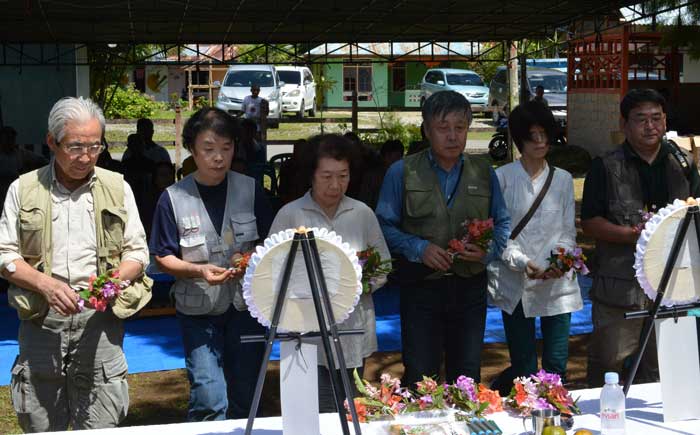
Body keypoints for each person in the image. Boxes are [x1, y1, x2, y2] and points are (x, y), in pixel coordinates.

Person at [0, 97, 151, 432]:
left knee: (102, 421)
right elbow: (5, 255)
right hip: (41, 319)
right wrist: (46, 285)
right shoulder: (22, 189)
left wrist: (112, 282)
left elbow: (138, 253)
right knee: (40, 423)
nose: (86, 157)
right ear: (52, 142)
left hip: (100, 321)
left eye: (95, 146)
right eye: (76, 146)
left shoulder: (117, 187)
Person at [376, 90, 510, 385]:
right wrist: (418, 247)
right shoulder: (402, 172)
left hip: (470, 289)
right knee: (421, 376)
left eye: (459, 128)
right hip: (421, 288)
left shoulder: (484, 172)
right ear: (426, 130)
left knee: (467, 375)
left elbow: (503, 223)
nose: (452, 136)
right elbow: (383, 226)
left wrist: (488, 251)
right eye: (443, 128)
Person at [150, 107, 274, 421]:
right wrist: (197, 270)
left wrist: (250, 258)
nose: (218, 157)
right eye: (209, 149)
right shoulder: (173, 198)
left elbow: (272, 243)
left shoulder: (251, 189)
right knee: (207, 395)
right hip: (198, 310)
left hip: (246, 308)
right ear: (192, 149)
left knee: (247, 392)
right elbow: (162, 257)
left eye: (226, 148)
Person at [581, 88, 700, 387]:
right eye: (641, 119)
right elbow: (590, 223)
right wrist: (635, 235)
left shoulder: (683, 163)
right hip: (619, 287)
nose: (650, 126)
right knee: (608, 366)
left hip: (672, 286)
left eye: (656, 118)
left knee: (663, 370)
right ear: (624, 125)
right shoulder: (606, 166)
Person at [268, 133, 391, 412]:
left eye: (343, 176)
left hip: (352, 326)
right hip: (306, 327)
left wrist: (359, 287)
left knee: (350, 404)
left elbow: (382, 264)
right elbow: (271, 270)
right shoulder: (290, 214)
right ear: (311, 175)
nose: (335, 185)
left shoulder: (362, 214)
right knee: (315, 406)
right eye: (326, 176)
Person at [487, 101, 582, 395]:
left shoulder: (563, 179)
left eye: (545, 133)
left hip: (557, 281)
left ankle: (555, 416)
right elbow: (497, 233)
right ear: (519, 139)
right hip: (515, 280)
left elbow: (568, 230)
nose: (540, 141)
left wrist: (559, 261)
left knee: (556, 365)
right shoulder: (502, 178)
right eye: (532, 135)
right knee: (524, 366)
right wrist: (522, 262)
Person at [0, 126, 48, 206]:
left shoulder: (21, 154)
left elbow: (43, 161)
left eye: (11, 139)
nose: (9, 141)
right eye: (7, 139)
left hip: (16, 193)